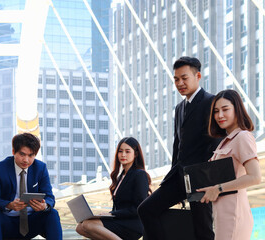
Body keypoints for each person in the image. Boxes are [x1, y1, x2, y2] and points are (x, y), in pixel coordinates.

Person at [137, 57, 221, 240]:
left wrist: (208, 178)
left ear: (197, 76)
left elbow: (216, 142)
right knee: (146, 209)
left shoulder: (211, 102)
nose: (180, 83)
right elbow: (178, 144)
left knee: (203, 228)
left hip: (200, 177)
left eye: (184, 78)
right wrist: (172, 174)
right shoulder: (179, 108)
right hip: (179, 176)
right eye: (176, 79)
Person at [197, 89, 261, 240]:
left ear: (237, 110)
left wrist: (218, 189)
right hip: (222, 214)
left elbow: (255, 177)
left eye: (225, 109)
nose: (220, 115)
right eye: (216, 111)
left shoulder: (242, 137)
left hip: (233, 214)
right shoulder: (224, 143)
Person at [0, 132, 62, 240]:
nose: (26, 160)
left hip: (31, 222)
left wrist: (44, 206)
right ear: (13, 152)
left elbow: (50, 197)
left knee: (52, 213)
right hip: (7, 221)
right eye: (22, 154)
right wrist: (9, 205)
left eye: (31, 155)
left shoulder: (40, 168)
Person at [76, 137, 152, 240]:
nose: (123, 155)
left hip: (132, 223)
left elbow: (137, 208)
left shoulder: (139, 174)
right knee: (80, 227)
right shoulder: (120, 177)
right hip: (120, 220)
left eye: (127, 151)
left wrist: (111, 214)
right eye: (120, 151)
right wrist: (105, 216)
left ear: (136, 154)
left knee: (88, 225)